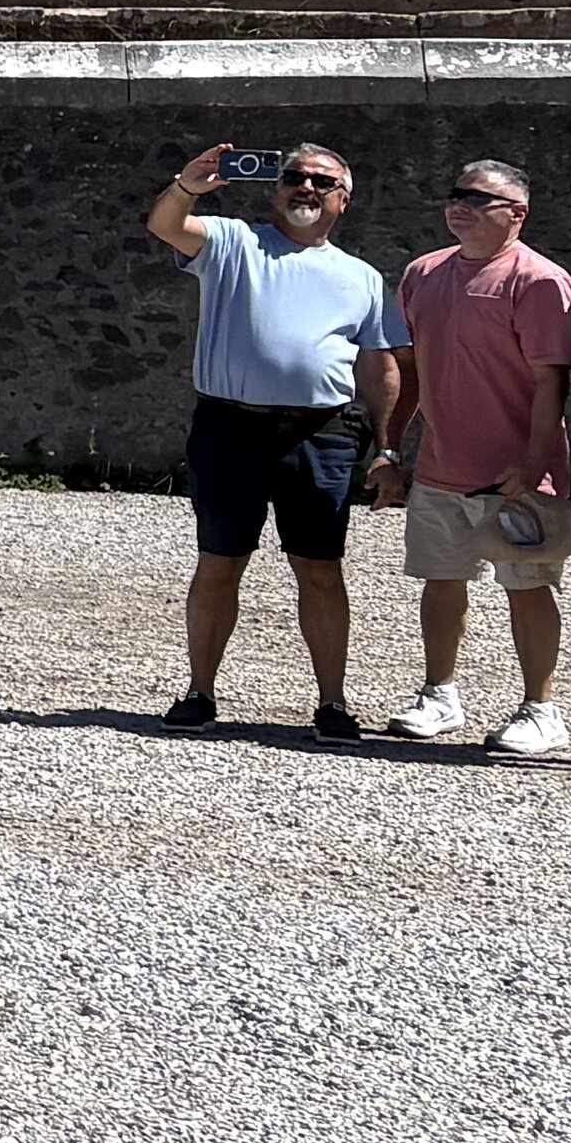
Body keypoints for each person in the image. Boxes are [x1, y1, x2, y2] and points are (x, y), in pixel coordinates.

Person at [143, 139, 404, 735]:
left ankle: (333, 704)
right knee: (219, 561)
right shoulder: (234, 241)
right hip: (229, 426)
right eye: (295, 177)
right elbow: (165, 226)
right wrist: (187, 186)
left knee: (320, 567)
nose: (305, 188)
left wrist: (387, 449)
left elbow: (377, 364)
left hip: (323, 431)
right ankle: (199, 694)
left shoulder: (361, 277)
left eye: (321, 182)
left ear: (345, 201)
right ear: (276, 188)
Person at [387, 154, 571, 759]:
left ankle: (541, 710)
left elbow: (553, 383)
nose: (460, 205)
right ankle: (439, 695)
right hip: (440, 468)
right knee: (440, 582)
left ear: (517, 214)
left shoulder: (540, 281)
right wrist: (392, 449)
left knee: (527, 585)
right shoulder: (423, 273)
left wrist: (532, 466)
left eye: (478, 198)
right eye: (455, 194)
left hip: (514, 475)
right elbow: (411, 372)